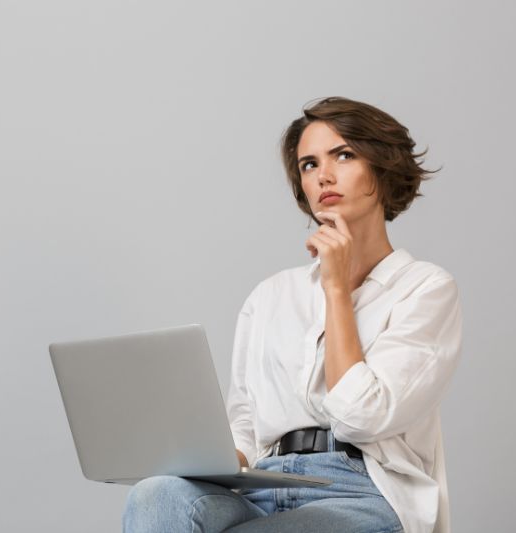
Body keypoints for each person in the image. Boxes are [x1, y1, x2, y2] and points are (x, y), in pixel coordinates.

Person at [122, 96, 463, 533]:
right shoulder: (270, 296)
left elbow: (361, 417)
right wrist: (206, 459)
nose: (324, 175)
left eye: (343, 155)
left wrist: (336, 287)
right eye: (308, 164)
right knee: (155, 495)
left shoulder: (423, 288)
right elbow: (245, 421)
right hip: (262, 486)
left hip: (361, 491)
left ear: (382, 166)